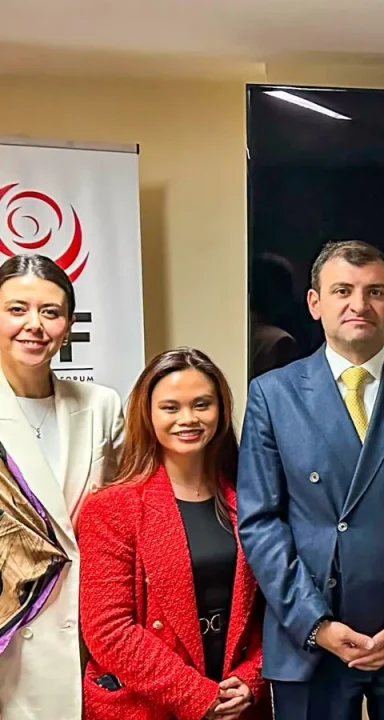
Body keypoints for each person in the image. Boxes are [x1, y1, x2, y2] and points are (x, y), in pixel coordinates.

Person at [237, 239, 384, 720]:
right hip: (311, 633)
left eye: (375, 292)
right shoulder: (272, 394)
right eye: (342, 290)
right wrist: (315, 622)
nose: (359, 304)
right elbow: (260, 522)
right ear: (315, 303)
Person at [79, 348, 267, 719]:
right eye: (170, 407)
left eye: (202, 405)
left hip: (237, 701)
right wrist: (198, 697)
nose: (188, 419)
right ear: (148, 414)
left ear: (221, 411)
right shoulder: (112, 508)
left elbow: (270, 610)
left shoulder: (250, 499)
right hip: (146, 705)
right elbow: (108, 631)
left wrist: (252, 677)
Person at [0, 253, 124, 720]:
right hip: (12, 634)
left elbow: (122, 514)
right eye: (17, 309)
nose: (34, 325)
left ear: (69, 326)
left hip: (85, 631)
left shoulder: (101, 406)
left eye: (50, 312)